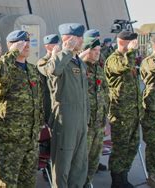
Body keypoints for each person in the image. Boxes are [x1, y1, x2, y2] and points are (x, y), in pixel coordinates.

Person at [0, 30, 43, 187]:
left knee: (28, 182)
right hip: (10, 140)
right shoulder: (5, 67)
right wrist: (14, 51)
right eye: (21, 42)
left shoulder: (33, 70)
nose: (26, 45)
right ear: (10, 46)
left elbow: (38, 102)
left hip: (30, 138)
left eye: (27, 41)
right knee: (8, 184)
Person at [42, 23, 89, 188]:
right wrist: (66, 50)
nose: (82, 41)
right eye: (79, 38)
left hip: (81, 120)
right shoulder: (59, 58)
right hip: (66, 119)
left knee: (79, 163)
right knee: (63, 164)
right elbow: (52, 71)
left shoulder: (79, 62)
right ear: (70, 39)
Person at [104, 30, 142, 188]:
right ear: (124, 42)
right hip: (120, 113)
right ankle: (117, 180)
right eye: (133, 42)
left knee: (132, 145)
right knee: (120, 147)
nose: (136, 45)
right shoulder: (114, 59)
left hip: (133, 112)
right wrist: (131, 51)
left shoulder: (129, 59)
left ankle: (124, 176)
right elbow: (124, 67)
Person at [79, 37, 109, 187]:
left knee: (94, 158)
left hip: (99, 121)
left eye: (98, 51)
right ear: (86, 51)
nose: (97, 54)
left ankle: (87, 183)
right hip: (86, 123)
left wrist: (106, 119)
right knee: (81, 159)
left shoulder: (99, 67)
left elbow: (105, 92)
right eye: (94, 51)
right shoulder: (79, 67)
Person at [140, 34, 155, 187]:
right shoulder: (149, 61)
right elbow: (150, 73)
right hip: (153, 111)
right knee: (154, 144)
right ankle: (153, 176)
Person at [37, 34, 60, 124]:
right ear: (47, 46)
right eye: (54, 44)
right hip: (50, 103)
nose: (58, 46)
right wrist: (54, 55)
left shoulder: (61, 60)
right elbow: (50, 71)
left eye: (58, 43)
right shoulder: (42, 62)